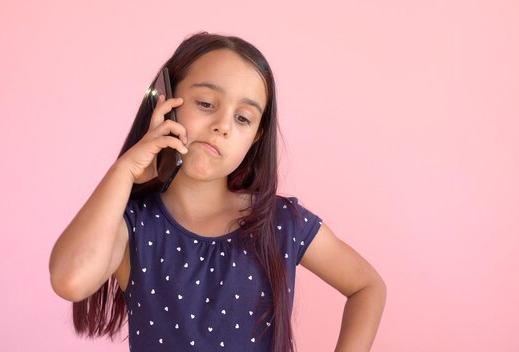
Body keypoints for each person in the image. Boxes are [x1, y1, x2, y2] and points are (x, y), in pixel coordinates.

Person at [49, 32, 386, 352]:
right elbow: (70, 280)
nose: (222, 126)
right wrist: (123, 172)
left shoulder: (282, 222)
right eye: (206, 103)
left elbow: (367, 286)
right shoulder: (132, 226)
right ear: (165, 101)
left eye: (242, 118)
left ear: (256, 136)